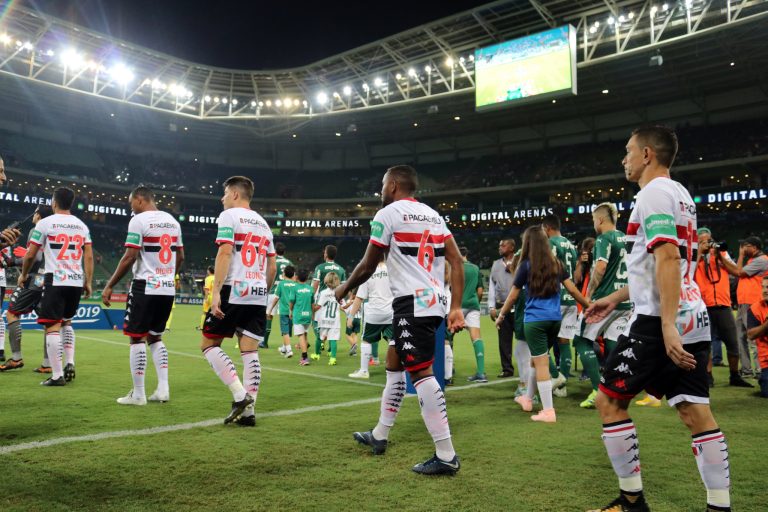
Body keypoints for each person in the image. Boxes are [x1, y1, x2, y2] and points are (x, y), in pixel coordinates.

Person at [585, 126, 730, 512]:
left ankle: (632, 502)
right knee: (695, 410)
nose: (624, 159)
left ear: (647, 154)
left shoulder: (651, 194)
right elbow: (655, 267)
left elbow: (668, 257)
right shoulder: (680, 194)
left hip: (658, 320)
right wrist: (613, 300)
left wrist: (666, 325)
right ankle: (720, 507)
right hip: (692, 312)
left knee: (609, 401)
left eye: (628, 151)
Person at [337, 164, 465, 475]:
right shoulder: (434, 216)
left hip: (412, 303)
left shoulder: (388, 214)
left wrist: (344, 286)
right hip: (430, 302)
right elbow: (456, 260)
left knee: (421, 373)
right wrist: (456, 306)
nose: (381, 190)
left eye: (383, 184)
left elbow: (369, 263)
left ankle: (446, 455)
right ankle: (380, 435)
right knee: (394, 364)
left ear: (393, 185)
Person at [201, 176, 277, 426]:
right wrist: (261, 290)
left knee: (209, 344)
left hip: (234, 288)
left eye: (224, 193)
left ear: (235, 194)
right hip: (257, 291)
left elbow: (224, 252)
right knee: (250, 351)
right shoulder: (264, 224)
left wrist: (216, 293)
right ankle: (249, 413)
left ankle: (239, 395)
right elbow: (272, 265)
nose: (222, 198)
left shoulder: (229, 216)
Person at [495, 226, 589, 423]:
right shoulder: (557, 264)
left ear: (528, 243)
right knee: (535, 360)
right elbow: (572, 290)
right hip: (555, 320)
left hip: (535, 321)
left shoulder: (526, 266)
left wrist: (502, 315)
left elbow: (513, 295)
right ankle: (527, 399)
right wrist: (589, 305)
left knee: (541, 362)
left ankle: (548, 411)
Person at [102, 186, 184, 405]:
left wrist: (110, 285)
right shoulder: (173, 222)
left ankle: (138, 394)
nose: (131, 208)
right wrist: (167, 276)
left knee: (136, 337)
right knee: (156, 336)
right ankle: (163, 390)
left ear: (139, 199)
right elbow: (181, 256)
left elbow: (130, 256)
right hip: (166, 288)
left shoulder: (139, 221)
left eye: (131, 204)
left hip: (144, 286)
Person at [19, 187, 93, 386]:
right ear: (71, 202)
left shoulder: (45, 223)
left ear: (54, 202)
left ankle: (57, 375)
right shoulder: (81, 226)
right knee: (67, 322)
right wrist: (88, 281)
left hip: (56, 279)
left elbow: (31, 254)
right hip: (76, 280)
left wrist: (24, 274)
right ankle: (70, 362)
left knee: (52, 326)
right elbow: (88, 256)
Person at [574, 203, 632, 409]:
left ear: (599, 220)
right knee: (612, 343)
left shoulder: (604, 239)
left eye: (592, 219)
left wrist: (588, 294)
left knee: (580, 339)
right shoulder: (626, 238)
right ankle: (615, 388)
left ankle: (598, 390)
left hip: (605, 301)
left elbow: (600, 268)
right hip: (625, 299)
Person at [694, 228, 753, 388]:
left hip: (723, 304)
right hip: (703, 306)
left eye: (708, 240)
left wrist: (718, 255)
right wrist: (699, 252)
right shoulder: (694, 256)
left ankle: (734, 376)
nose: (707, 244)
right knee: (705, 344)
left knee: (733, 342)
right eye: (702, 241)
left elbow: (737, 271)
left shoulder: (720, 254)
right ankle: (707, 376)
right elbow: (686, 273)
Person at [0, 205, 53, 372]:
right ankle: (47, 364)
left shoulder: (37, 229)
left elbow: (34, 257)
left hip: (34, 278)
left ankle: (16, 358)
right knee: (48, 322)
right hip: (48, 279)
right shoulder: (53, 230)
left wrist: (13, 262)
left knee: (12, 313)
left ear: (37, 215)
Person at [719, 235, 768, 377]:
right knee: (740, 337)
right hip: (743, 302)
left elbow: (738, 272)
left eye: (745, 246)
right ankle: (746, 370)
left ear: (754, 247)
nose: (743, 248)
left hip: (753, 303)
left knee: (754, 338)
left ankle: (760, 370)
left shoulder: (762, 260)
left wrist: (739, 255)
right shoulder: (753, 260)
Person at [543, 214, 578, 395]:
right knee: (564, 342)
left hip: (555, 298)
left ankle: (554, 377)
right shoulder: (572, 246)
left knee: (541, 343)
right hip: (571, 299)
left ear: (547, 228)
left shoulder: (550, 244)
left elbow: (549, 270)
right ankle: (562, 387)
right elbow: (577, 273)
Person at [345, 255, 393, 379]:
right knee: (393, 341)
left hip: (374, 313)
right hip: (391, 312)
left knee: (366, 340)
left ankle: (364, 371)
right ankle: (398, 368)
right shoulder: (392, 269)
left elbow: (359, 297)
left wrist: (351, 316)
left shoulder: (368, 272)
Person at [488, 239, 517, 379]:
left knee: (524, 338)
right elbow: (492, 286)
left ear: (512, 247)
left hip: (518, 306)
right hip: (501, 306)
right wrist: (491, 306)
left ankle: (532, 365)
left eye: (503, 245)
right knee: (504, 340)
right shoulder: (495, 264)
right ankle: (507, 369)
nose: (500, 247)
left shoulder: (520, 261)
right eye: (499, 245)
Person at [459, 246, 486, 382]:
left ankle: (447, 373)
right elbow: (480, 290)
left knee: (447, 337)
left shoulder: (455, 267)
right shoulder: (475, 268)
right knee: (476, 338)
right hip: (473, 305)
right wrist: (476, 302)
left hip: (458, 306)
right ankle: (481, 373)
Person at [312, 245, 347, 350]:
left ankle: (321, 340)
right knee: (332, 323)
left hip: (322, 300)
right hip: (334, 300)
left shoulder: (320, 267)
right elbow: (344, 287)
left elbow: (315, 284)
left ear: (326, 254)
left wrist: (311, 298)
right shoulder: (341, 269)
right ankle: (330, 346)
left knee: (316, 322)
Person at [264, 242, 293, 348]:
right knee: (287, 316)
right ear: (284, 252)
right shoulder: (289, 263)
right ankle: (286, 343)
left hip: (273, 291)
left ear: (275, 251)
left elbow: (268, 274)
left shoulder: (273, 261)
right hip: (287, 292)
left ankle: (265, 342)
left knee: (269, 315)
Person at [746, 275, 768, 398]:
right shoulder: (755, 308)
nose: (765, 290)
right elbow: (751, 334)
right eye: (763, 287)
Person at [314, 272, 342, 365]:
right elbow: (343, 306)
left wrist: (311, 308)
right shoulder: (340, 292)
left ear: (326, 280)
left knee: (319, 337)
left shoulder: (323, 293)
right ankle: (333, 358)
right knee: (333, 339)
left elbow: (318, 306)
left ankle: (317, 354)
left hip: (324, 319)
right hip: (335, 320)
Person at [269, 265, 296, 358]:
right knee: (288, 331)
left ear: (284, 274)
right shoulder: (295, 284)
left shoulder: (281, 284)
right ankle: (284, 348)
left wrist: (270, 309)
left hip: (284, 311)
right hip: (293, 312)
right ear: (293, 275)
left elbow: (276, 298)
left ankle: (289, 350)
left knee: (285, 332)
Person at [290, 268, 314, 366]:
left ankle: (305, 358)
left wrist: (290, 311)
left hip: (299, 315)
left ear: (297, 277)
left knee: (301, 336)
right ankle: (304, 349)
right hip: (308, 315)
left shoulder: (295, 288)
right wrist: (313, 314)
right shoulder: (310, 288)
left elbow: (291, 302)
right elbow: (312, 303)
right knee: (305, 335)